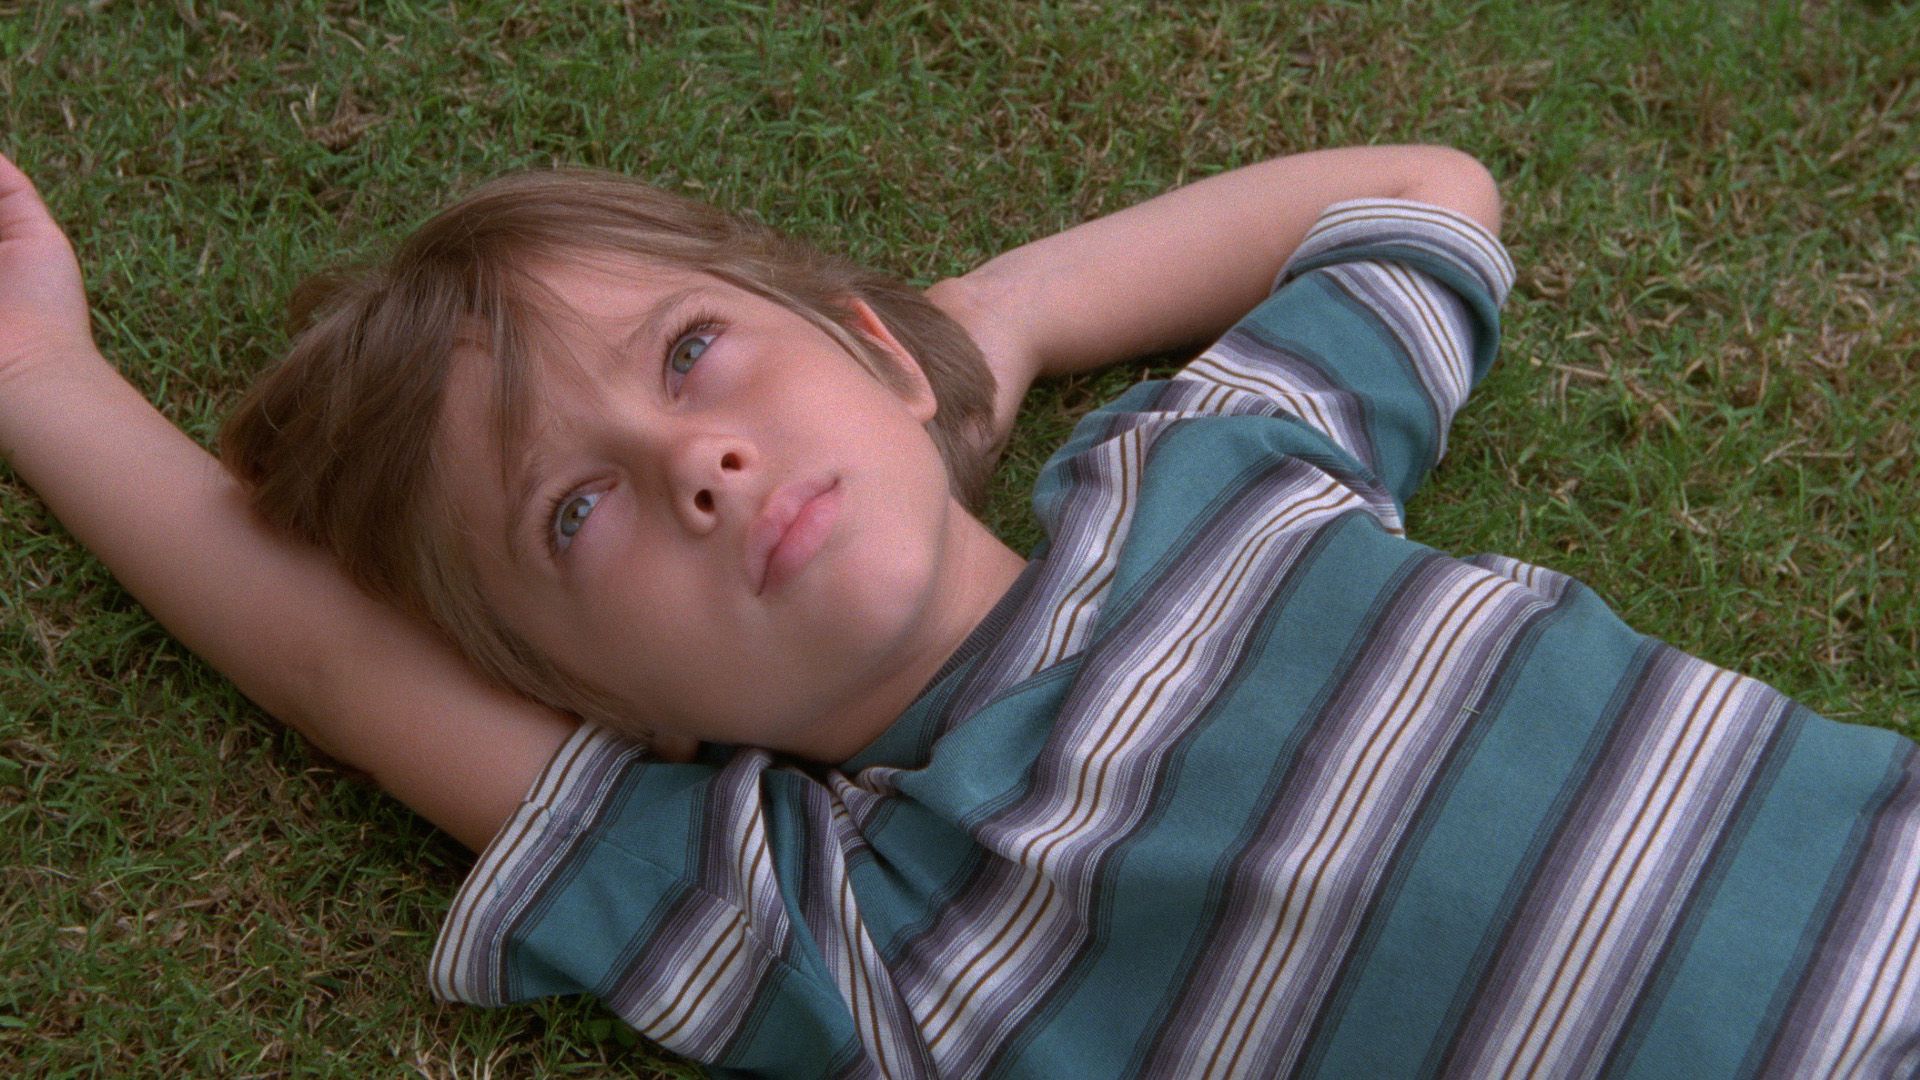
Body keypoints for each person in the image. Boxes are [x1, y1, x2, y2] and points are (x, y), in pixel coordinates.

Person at [1, 144, 1915, 1078]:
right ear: (590, 705)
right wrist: (42, 384)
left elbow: (1423, 194)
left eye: (694, 354)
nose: (703, 465)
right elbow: (337, 667)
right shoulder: (835, 910)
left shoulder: (1211, 468)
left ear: (863, 349)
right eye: (574, 511)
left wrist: (977, 330)